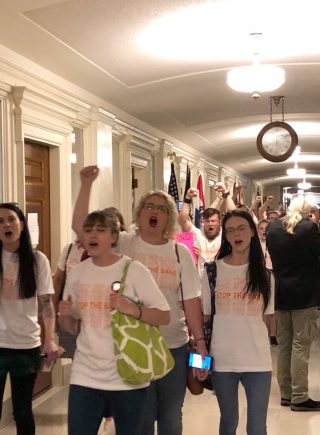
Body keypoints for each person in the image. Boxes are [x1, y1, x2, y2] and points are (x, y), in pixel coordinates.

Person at [73, 166, 207, 435]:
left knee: (171, 417)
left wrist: (201, 346)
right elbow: (81, 227)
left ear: (169, 217)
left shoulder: (180, 253)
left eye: (161, 208)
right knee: (141, 420)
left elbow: (191, 302)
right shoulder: (123, 242)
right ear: (139, 213)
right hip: (131, 346)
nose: (154, 211)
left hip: (173, 345)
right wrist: (86, 184)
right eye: (149, 206)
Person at [59, 211, 171, 435]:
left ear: (113, 236)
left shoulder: (134, 270)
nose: (93, 235)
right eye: (88, 230)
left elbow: (164, 315)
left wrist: (131, 309)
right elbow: (71, 326)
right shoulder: (77, 273)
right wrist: (64, 316)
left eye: (100, 230)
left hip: (127, 375)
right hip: (85, 373)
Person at [0, 203, 60, 435]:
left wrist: (50, 339)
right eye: (0, 221)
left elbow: (46, 303)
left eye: (11, 219)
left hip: (25, 347)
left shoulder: (38, 260)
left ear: (22, 225)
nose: (6, 224)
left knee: (23, 412)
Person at [203, 210, 273, 435]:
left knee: (256, 426)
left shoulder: (265, 275)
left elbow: (269, 320)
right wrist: (202, 362)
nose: (236, 234)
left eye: (241, 228)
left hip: (258, 361)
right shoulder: (212, 271)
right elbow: (205, 318)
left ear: (252, 231)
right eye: (231, 230)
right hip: (223, 360)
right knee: (228, 421)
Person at [265, 197, 320, 412]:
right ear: (308, 211)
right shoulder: (307, 228)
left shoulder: (273, 228)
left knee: (284, 344)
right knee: (300, 345)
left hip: (281, 292)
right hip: (305, 294)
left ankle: (285, 393)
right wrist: (316, 223)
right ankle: (300, 395)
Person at [180, 187, 222, 267]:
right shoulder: (197, 234)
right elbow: (183, 220)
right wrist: (187, 198)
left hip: (220, 278)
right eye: (207, 221)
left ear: (219, 222)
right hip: (200, 278)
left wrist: (222, 196)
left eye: (213, 221)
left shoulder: (222, 234)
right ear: (203, 222)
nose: (210, 224)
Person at [257, 219, 276, 345]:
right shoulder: (256, 245)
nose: (264, 231)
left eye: (266, 229)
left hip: (272, 274)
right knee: (261, 307)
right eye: (261, 228)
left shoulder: (274, 244)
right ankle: (262, 333)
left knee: (272, 307)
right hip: (259, 274)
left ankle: (273, 335)